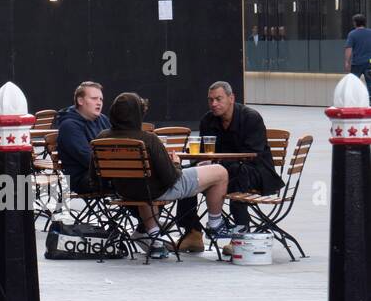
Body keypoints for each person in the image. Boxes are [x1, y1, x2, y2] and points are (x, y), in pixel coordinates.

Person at [93, 92, 230, 259]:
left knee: (143, 182)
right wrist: (177, 162)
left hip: (126, 191)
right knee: (220, 172)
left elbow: (94, 174)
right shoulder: (148, 139)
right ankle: (215, 224)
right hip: (158, 189)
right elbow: (170, 177)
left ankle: (155, 241)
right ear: (137, 115)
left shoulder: (101, 138)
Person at [175, 80, 281, 252]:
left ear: (231, 98)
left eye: (218, 99)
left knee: (237, 173)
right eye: (210, 100)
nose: (214, 104)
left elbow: (253, 155)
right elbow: (204, 155)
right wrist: (201, 164)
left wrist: (218, 165)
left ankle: (240, 233)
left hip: (257, 172)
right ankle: (192, 232)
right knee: (188, 174)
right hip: (221, 172)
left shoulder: (250, 118)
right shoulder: (208, 120)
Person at [53, 81, 110, 193]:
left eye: (101, 99)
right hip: (85, 179)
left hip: (107, 171)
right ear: (80, 101)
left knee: (141, 177)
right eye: (94, 98)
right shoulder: (69, 126)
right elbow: (87, 158)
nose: (99, 102)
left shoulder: (102, 119)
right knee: (135, 180)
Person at [345, 13, 371, 89]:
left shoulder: (352, 34)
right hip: (369, 62)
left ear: (355, 23)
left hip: (357, 63)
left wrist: (347, 62)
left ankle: (355, 99)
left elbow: (348, 48)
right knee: (370, 84)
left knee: (353, 84)